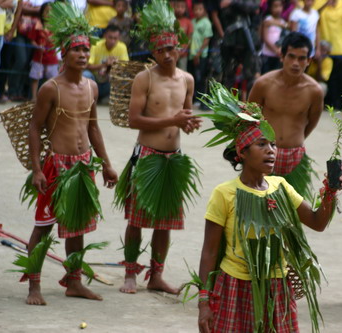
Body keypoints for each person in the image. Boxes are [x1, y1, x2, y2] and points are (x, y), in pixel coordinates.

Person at [196, 81, 342, 332]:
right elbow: (209, 252)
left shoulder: (281, 186)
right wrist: (203, 302)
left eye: (273, 144)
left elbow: (318, 222)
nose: (272, 151)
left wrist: (331, 191)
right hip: (235, 285)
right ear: (241, 153)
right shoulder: (224, 194)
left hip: (277, 286)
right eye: (262, 145)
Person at [23, 1, 118, 306]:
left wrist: (106, 165)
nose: (81, 53)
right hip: (57, 166)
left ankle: (74, 282)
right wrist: (37, 169)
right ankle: (33, 286)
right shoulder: (50, 88)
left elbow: (93, 129)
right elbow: (35, 129)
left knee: (77, 226)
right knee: (43, 226)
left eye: (85, 49)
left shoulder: (91, 87)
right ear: (64, 54)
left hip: (83, 165)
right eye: (75, 49)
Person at [115, 0, 202, 295]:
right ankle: (130, 274)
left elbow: (184, 117)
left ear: (179, 48)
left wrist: (187, 123)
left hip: (172, 159)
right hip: (148, 156)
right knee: (137, 220)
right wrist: (174, 118)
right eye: (161, 50)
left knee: (164, 222)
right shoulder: (144, 78)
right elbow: (134, 120)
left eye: (172, 49)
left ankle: (156, 276)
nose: (167, 55)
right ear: (153, 52)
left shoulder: (187, 80)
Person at [249, 32, 323, 200]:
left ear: (309, 61)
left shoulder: (314, 91)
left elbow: (312, 122)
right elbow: (249, 118)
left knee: (291, 214)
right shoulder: (264, 84)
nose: (296, 63)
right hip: (263, 154)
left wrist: (295, 139)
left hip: (295, 157)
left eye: (302, 58)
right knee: (259, 208)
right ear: (281, 56)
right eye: (291, 56)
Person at [84, 24, 129, 102]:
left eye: (115, 38)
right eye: (110, 37)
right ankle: (88, 99)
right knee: (85, 74)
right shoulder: (96, 45)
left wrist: (115, 66)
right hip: (95, 81)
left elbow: (125, 68)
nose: (112, 41)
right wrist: (105, 64)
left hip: (108, 83)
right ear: (105, 36)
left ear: (119, 38)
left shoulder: (122, 47)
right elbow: (87, 65)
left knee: (125, 77)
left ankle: (113, 99)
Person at [27, 2, 58, 102]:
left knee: (52, 79)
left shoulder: (56, 27)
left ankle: (51, 98)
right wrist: (37, 46)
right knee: (35, 77)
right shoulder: (37, 25)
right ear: (41, 13)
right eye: (46, 11)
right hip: (38, 56)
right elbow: (32, 40)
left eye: (50, 12)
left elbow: (58, 41)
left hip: (51, 57)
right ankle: (34, 97)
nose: (48, 13)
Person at [188, 1, 212, 105]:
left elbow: (206, 40)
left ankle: (199, 99)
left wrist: (198, 54)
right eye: (195, 9)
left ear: (204, 10)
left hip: (201, 55)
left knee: (200, 78)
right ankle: (192, 98)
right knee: (192, 76)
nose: (197, 11)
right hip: (191, 54)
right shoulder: (192, 21)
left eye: (200, 9)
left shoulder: (206, 22)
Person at [260, 0, 286, 74]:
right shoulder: (268, 19)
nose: (278, 9)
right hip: (267, 54)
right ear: (270, 8)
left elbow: (283, 37)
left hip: (277, 56)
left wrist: (280, 50)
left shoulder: (283, 22)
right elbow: (265, 39)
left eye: (280, 6)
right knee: (266, 74)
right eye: (275, 6)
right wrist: (275, 50)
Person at [172, 0, 193, 71]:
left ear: (186, 9)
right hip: (171, 53)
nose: (179, 9)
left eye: (182, 7)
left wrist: (182, 52)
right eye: (177, 7)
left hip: (183, 54)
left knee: (182, 72)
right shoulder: (170, 21)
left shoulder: (188, 22)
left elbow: (189, 39)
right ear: (174, 7)